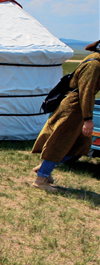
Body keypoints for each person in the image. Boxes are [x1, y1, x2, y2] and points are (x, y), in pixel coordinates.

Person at [30, 39, 100, 192]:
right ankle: (41, 180)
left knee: (81, 144)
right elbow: (86, 92)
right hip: (74, 108)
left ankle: (44, 168)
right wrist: (88, 119)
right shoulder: (94, 64)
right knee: (60, 142)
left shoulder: (96, 60)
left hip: (79, 108)